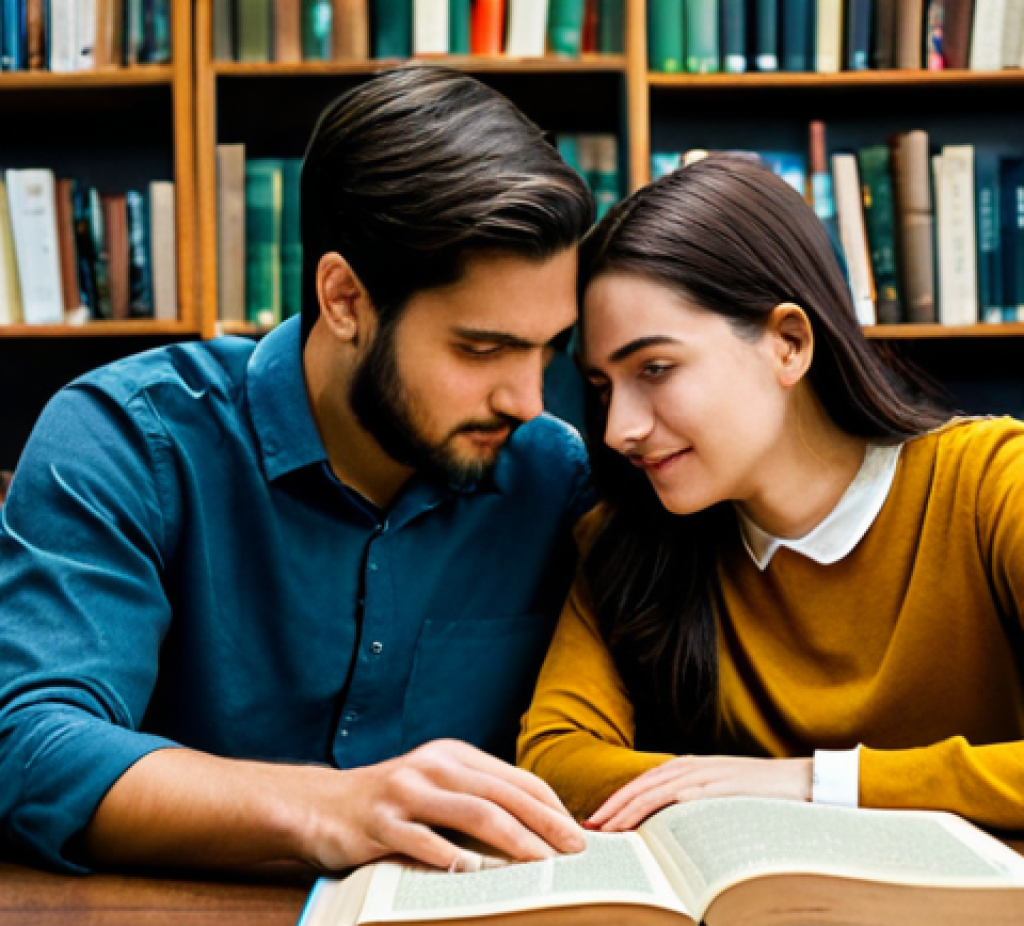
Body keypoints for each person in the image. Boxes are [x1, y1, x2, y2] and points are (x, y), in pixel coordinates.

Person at [0, 66, 594, 874]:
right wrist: (332, 808)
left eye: (548, 349)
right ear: (345, 298)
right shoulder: (128, 439)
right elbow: (30, 746)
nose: (528, 399)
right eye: (481, 349)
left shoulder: (553, 476)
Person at [518, 153, 1024, 834]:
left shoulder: (994, 485)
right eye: (604, 387)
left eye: (656, 368)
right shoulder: (625, 541)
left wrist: (814, 783)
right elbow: (558, 761)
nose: (618, 430)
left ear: (789, 343)